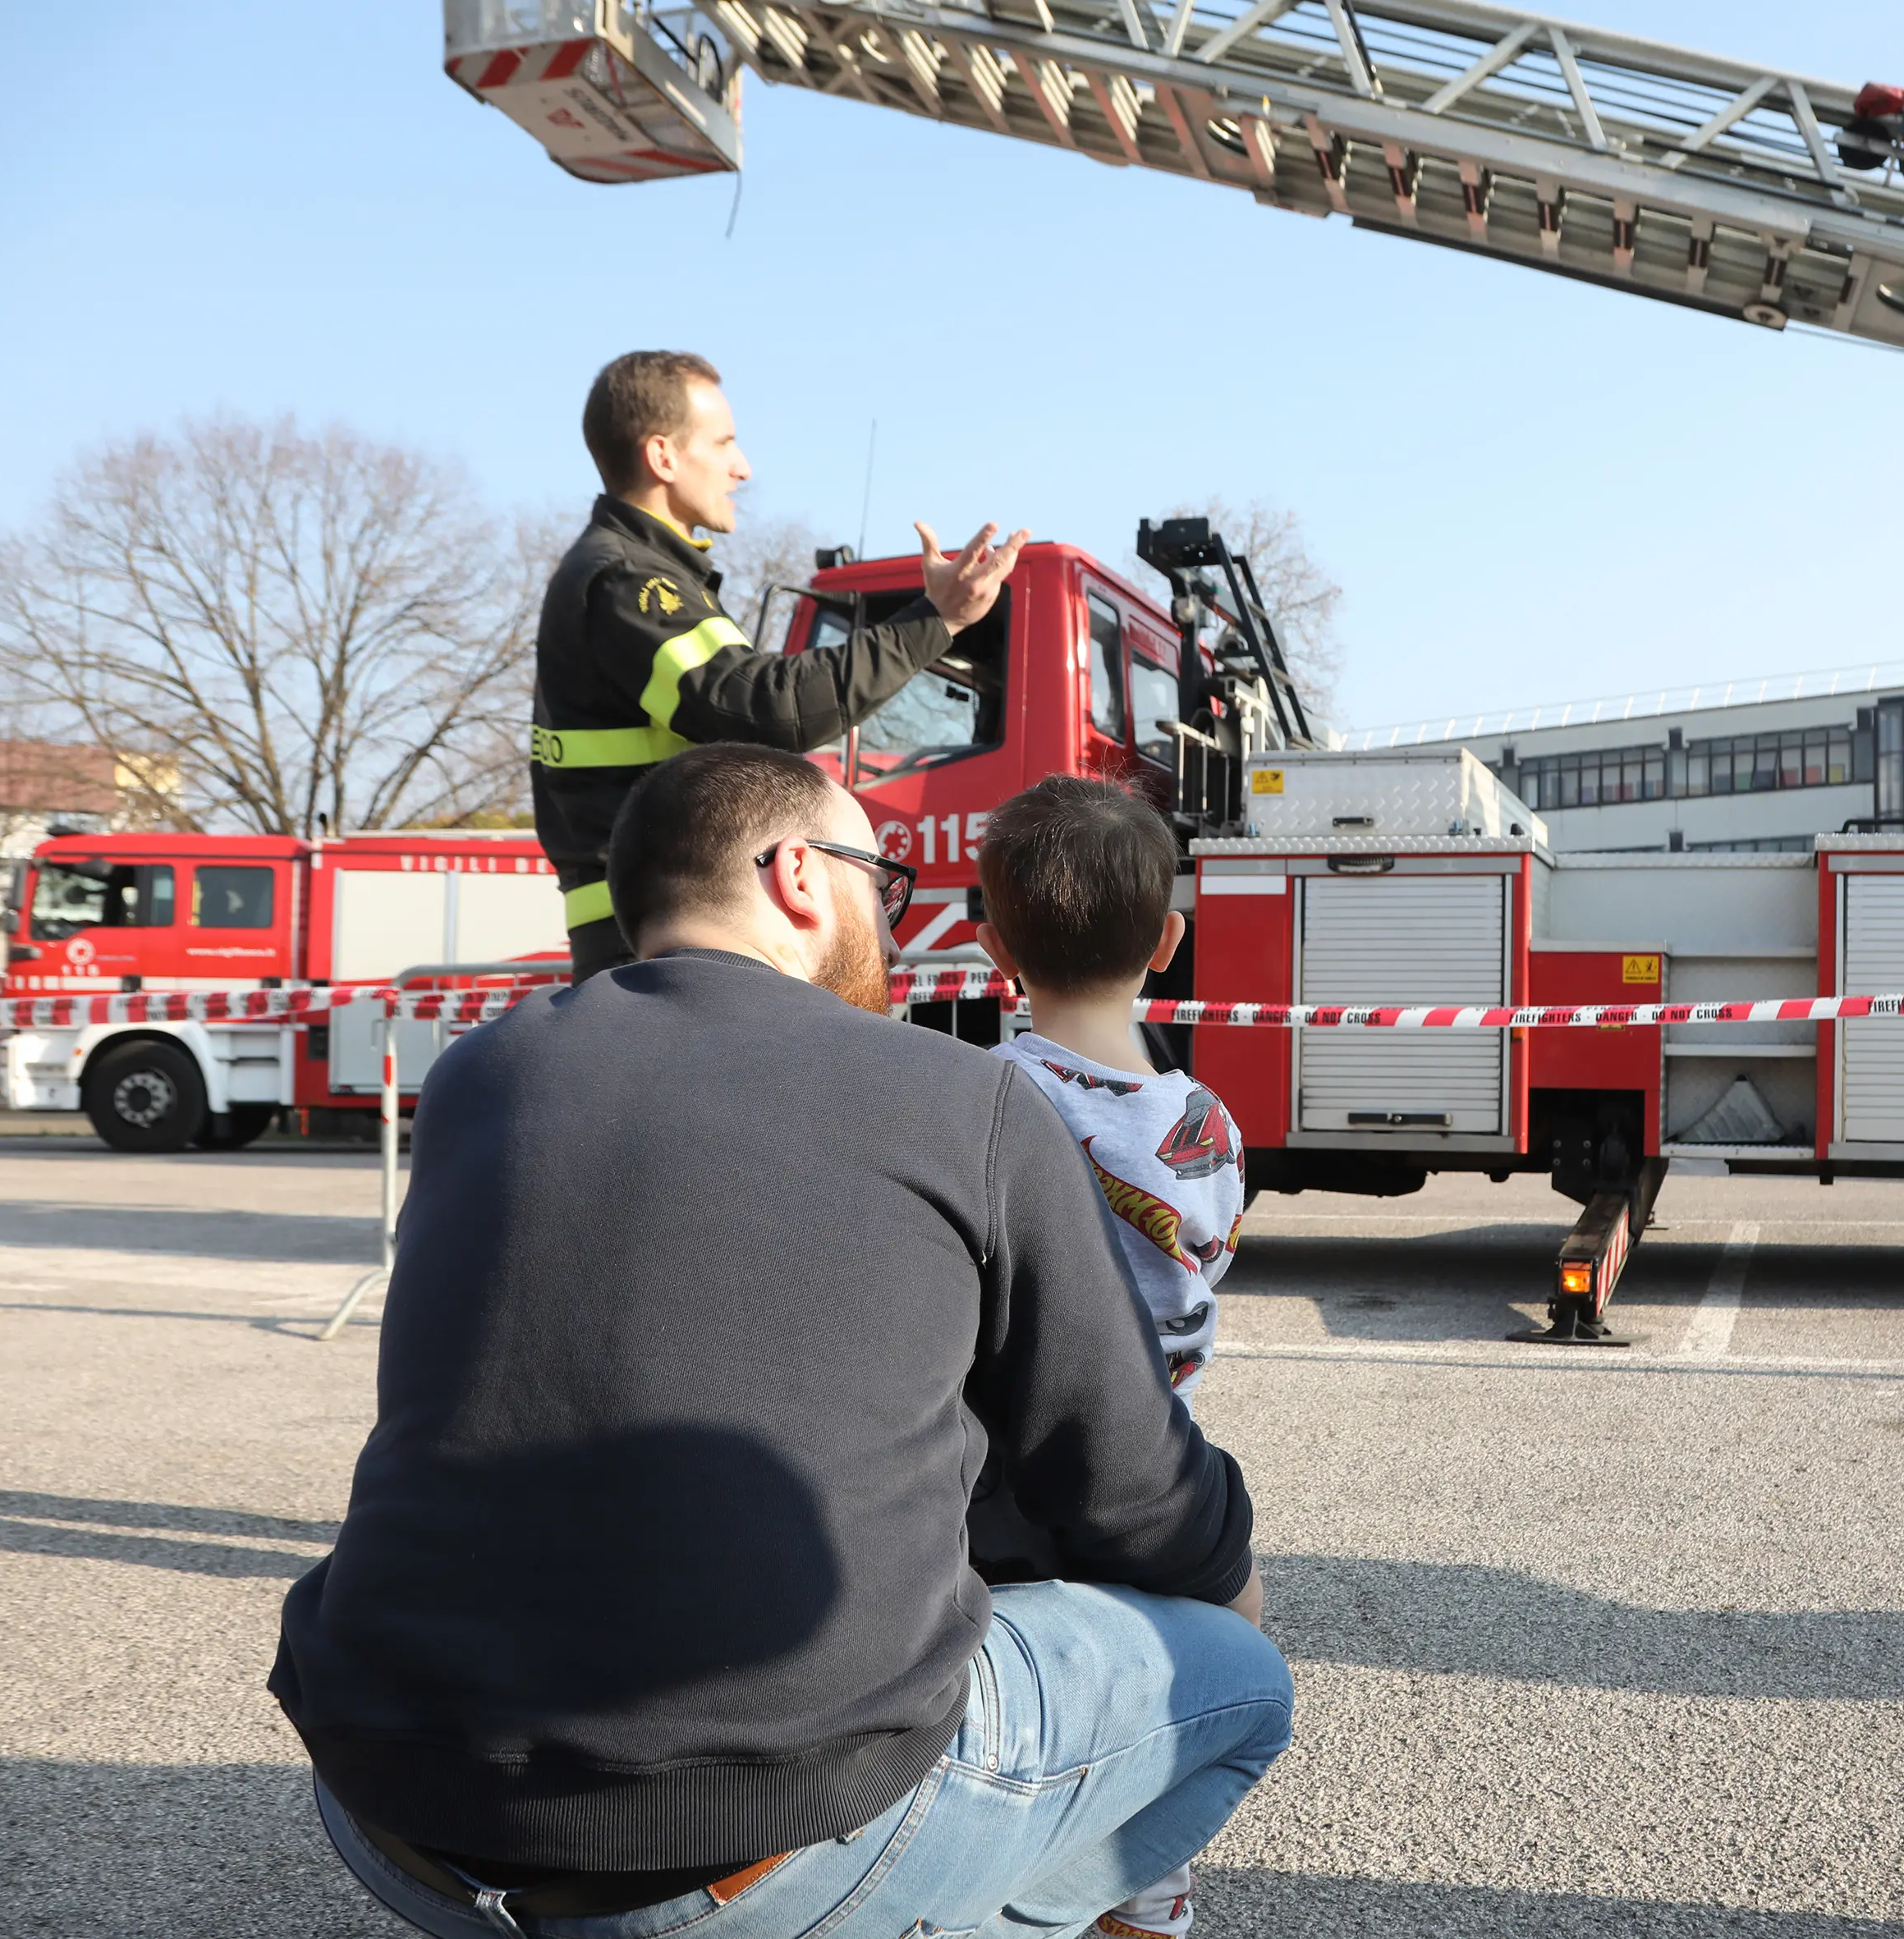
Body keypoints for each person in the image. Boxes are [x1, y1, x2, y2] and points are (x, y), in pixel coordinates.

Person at [270, 741, 1288, 1938]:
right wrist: (1231, 1591)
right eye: (882, 882)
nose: (892, 925)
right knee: (1240, 1685)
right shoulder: (962, 1097)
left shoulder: (480, 1073)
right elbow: (1126, 1484)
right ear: (799, 873)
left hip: (390, 1813)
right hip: (754, 1854)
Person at [970, 776, 1247, 1939]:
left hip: (1007, 1479)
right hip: (1160, 1466)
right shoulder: (1209, 1125)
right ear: (1167, 942)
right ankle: (1139, 1899)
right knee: (1157, 1708)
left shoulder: (990, 1096)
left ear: (992, 947)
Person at [532, 349, 1029, 980]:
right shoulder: (629, 580)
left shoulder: (632, 575)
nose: (742, 467)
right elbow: (764, 706)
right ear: (663, 457)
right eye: (723, 443)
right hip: (658, 935)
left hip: (655, 930)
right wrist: (936, 621)